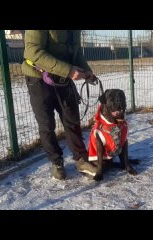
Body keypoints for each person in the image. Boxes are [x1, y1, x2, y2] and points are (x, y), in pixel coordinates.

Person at [22, 30, 98, 180]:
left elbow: (76, 52)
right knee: (46, 124)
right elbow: (33, 51)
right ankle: (56, 161)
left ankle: (81, 159)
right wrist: (68, 70)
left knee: (72, 118)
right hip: (39, 78)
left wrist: (87, 71)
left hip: (64, 77)